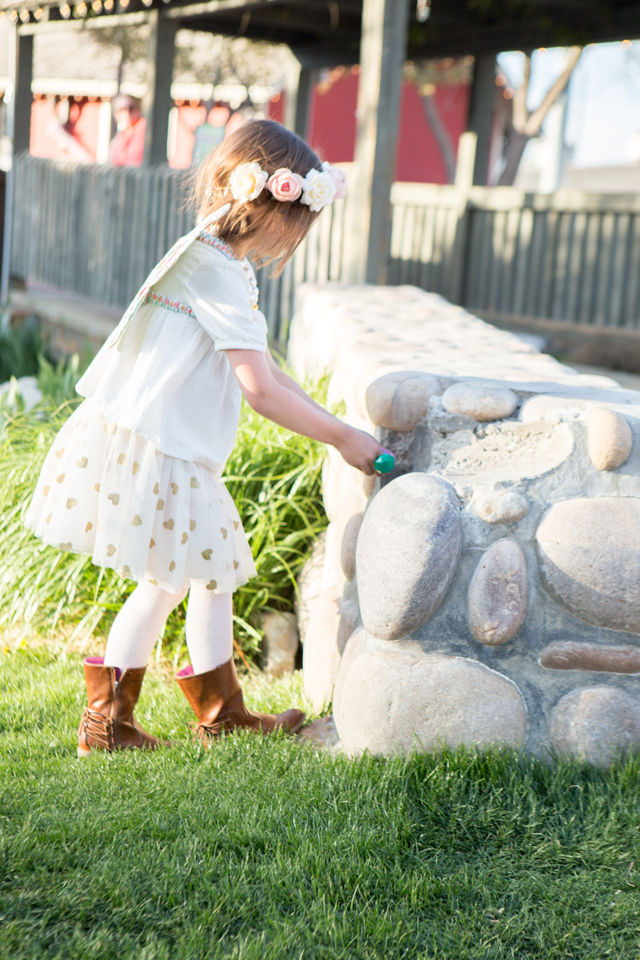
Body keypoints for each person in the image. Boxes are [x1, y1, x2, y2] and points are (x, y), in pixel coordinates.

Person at [24, 119, 373, 757]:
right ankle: (123, 722)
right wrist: (343, 439)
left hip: (169, 443)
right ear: (263, 204)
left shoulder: (219, 257)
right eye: (289, 227)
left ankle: (205, 712)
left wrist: (335, 422)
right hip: (164, 448)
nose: (286, 242)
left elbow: (267, 368)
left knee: (200, 574)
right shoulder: (212, 268)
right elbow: (259, 391)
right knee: (180, 577)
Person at [109, 95, 146, 167]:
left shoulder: (142, 128)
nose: (127, 113)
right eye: (122, 109)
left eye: (131, 108)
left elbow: (131, 159)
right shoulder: (123, 131)